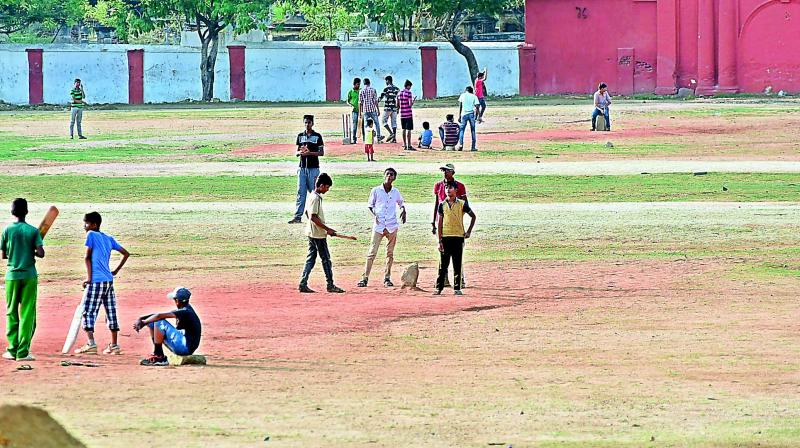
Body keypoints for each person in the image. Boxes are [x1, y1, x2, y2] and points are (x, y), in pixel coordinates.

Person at [74, 212, 130, 355]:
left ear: (94, 225)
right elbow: (126, 253)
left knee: (89, 311)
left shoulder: (91, 235)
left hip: (97, 280)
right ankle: (114, 346)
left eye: (86, 223)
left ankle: (91, 344)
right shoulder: (108, 238)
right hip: (108, 281)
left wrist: (89, 278)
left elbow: (87, 258)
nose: (84, 226)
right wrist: (115, 271)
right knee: (111, 311)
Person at [1, 199, 44, 362]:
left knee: (11, 312)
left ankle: (12, 350)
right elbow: (41, 253)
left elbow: (4, 255)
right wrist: (31, 250)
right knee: (27, 313)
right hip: (29, 275)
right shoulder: (33, 231)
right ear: (26, 212)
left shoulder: (7, 230)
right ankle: (23, 352)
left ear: (12, 212)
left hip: (12, 275)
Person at [357, 168, 406, 288]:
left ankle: (387, 278)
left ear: (394, 178)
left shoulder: (395, 192)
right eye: (388, 174)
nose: (389, 176)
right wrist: (374, 216)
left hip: (392, 225)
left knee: (389, 253)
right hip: (378, 226)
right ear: (384, 175)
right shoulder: (376, 191)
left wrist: (404, 210)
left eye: (392, 175)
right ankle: (365, 278)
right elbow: (370, 206)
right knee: (372, 253)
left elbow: (401, 203)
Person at [299, 173, 345, 294]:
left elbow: (307, 214)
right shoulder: (316, 198)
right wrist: (327, 229)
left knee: (311, 258)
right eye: (327, 187)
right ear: (322, 185)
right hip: (318, 235)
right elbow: (313, 217)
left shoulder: (311, 196)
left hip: (311, 233)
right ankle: (330, 284)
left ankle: (303, 283)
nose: (327, 189)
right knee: (326, 259)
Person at [133, 287, 202, 366]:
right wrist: (141, 319)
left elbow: (159, 316)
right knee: (152, 322)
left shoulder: (185, 312)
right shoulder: (186, 310)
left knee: (159, 322)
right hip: (185, 344)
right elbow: (157, 315)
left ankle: (159, 356)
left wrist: (144, 322)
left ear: (177, 301)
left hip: (185, 347)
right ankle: (158, 353)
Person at [434, 182, 476, 296]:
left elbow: (473, 216)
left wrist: (468, 231)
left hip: (458, 237)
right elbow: (440, 224)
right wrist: (440, 241)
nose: (448, 190)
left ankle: (457, 288)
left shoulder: (462, 204)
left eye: (451, 188)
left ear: (456, 190)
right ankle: (439, 288)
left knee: (457, 264)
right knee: (443, 265)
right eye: (446, 188)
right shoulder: (442, 205)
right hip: (446, 237)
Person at [432, 164, 468, 288]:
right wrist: (434, 222)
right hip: (442, 223)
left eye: (447, 171)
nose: (444, 173)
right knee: (443, 253)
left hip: (456, 225)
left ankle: (460, 279)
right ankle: (444, 280)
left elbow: (465, 205)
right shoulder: (438, 186)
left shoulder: (460, 186)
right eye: (443, 171)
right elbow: (436, 204)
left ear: (453, 172)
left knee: (458, 255)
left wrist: (459, 222)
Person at [289, 115, 325, 224]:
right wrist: (300, 152)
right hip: (302, 168)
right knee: (301, 192)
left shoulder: (317, 136)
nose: (307, 125)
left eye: (309, 122)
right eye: (305, 122)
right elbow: (296, 152)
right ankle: (297, 216)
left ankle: (314, 214)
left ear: (312, 123)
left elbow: (321, 152)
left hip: (313, 168)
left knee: (314, 192)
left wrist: (310, 153)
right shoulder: (300, 136)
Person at [359, 78, 383, 143]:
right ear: (369, 83)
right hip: (372, 109)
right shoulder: (373, 90)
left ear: (364, 83)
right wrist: (378, 110)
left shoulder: (361, 91)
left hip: (365, 110)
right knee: (376, 123)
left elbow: (360, 103)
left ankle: (367, 138)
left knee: (366, 125)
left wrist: (360, 112)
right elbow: (375, 101)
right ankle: (378, 137)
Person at [457, 86, 480, 151]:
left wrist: (459, 115)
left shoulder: (462, 95)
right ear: (471, 91)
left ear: (466, 90)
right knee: (473, 130)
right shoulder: (474, 96)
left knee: (462, 130)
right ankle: (473, 147)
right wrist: (477, 116)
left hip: (464, 114)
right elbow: (477, 106)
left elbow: (460, 106)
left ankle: (461, 145)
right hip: (471, 114)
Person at [379, 75, 399, 143]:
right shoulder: (397, 89)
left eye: (386, 81)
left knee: (383, 121)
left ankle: (391, 133)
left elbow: (380, 98)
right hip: (394, 108)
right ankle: (394, 138)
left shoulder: (386, 89)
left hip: (387, 107)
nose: (385, 82)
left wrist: (375, 102)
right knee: (394, 123)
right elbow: (398, 99)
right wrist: (398, 108)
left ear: (388, 80)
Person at [397, 79, 415, 151]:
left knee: (403, 129)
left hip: (402, 114)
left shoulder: (399, 93)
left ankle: (404, 144)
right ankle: (409, 145)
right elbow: (410, 104)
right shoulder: (409, 93)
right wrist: (413, 102)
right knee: (409, 130)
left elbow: (397, 104)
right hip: (408, 114)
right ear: (408, 86)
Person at [347, 77, 362, 143]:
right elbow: (347, 101)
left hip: (362, 110)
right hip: (354, 111)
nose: (358, 86)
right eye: (357, 84)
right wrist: (351, 106)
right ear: (354, 84)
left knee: (363, 124)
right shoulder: (350, 92)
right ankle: (354, 139)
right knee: (354, 124)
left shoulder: (361, 91)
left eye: (359, 84)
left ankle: (364, 139)